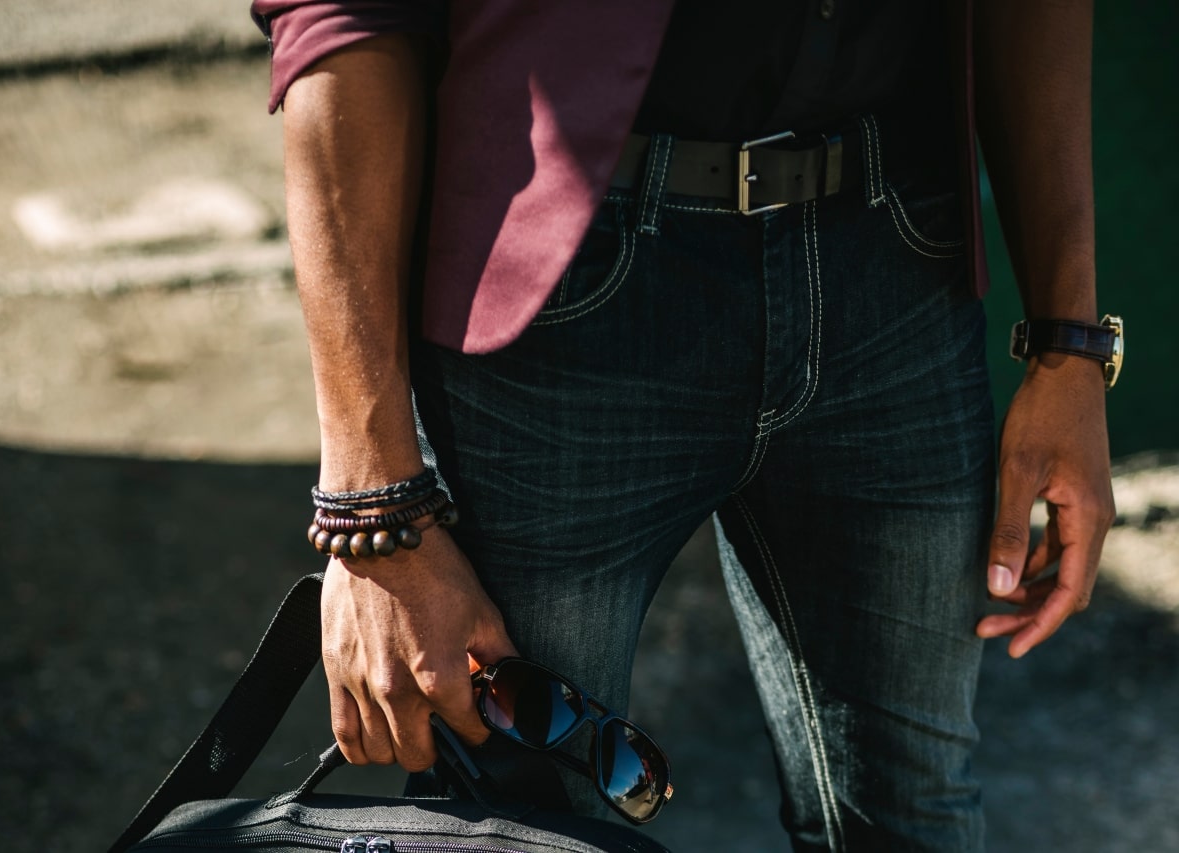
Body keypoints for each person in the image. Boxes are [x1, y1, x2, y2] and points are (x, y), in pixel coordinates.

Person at [250, 1, 1117, 849]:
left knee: (916, 817)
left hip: (891, 260)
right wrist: (372, 506)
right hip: (562, 291)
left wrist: (1068, 344)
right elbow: (342, 15)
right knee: (515, 828)